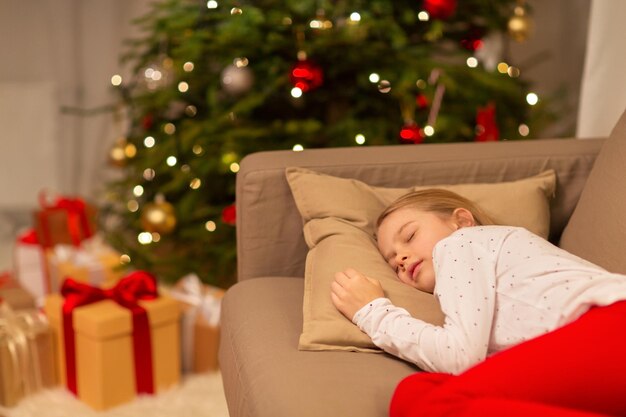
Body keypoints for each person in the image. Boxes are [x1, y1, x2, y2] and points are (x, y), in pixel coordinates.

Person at [330, 189, 626, 417]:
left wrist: (372, 312)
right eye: (392, 262)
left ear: (461, 220)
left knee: (428, 401)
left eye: (409, 235)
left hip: (609, 323)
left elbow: (460, 356)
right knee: (416, 392)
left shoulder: (461, 243)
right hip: (593, 343)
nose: (402, 258)